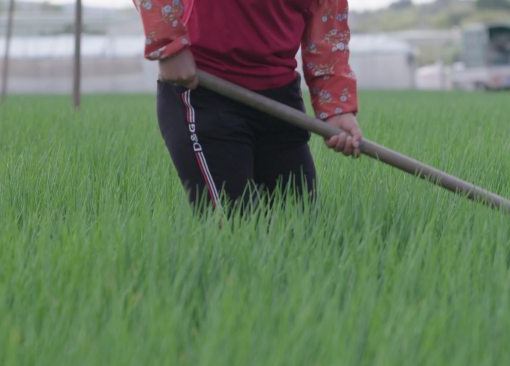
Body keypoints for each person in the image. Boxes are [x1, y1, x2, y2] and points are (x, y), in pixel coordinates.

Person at [134, 0, 362, 213]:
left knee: (299, 225)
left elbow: (327, 19)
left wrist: (336, 106)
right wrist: (168, 44)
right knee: (232, 226)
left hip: (280, 101)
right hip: (205, 91)